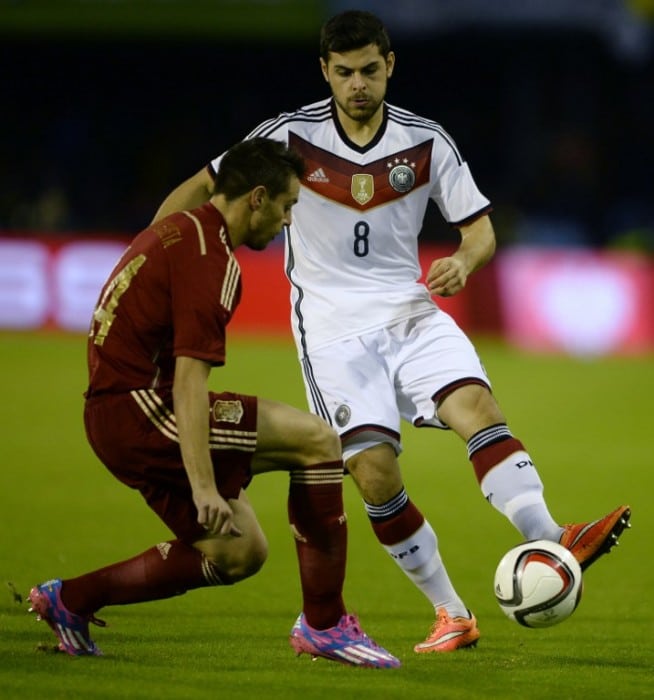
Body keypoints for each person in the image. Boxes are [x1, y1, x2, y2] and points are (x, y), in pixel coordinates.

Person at [152, 12, 631, 653]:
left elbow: (479, 227)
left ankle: (549, 537)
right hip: (330, 332)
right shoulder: (288, 134)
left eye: (369, 71)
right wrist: (151, 251)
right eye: (344, 72)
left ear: (390, 66)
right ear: (325, 71)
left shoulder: (426, 141)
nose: (357, 85)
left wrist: (465, 258)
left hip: (411, 311)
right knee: (374, 472)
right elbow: (207, 186)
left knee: (477, 408)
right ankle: (451, 612)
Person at [28, 137, 400, 669]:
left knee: (240, 551)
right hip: (143, 410)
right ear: (256, 198)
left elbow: (189, 198)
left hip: (112, 414)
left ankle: (71, 600)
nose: (288, 222)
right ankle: (324, 624)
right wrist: (203, 485)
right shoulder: (211, 263)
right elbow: (188, 384)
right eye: (287, 205)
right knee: (317, 440)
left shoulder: (178, 225)